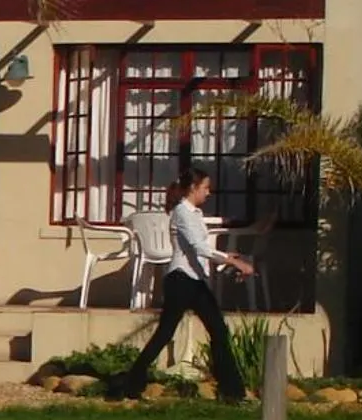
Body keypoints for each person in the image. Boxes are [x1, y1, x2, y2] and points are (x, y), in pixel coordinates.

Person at [106, 166, 255, 402]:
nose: (209, 192)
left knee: (218, 330)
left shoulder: (194, 213)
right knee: (165, 333)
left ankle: (232, 391)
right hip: (181, 280)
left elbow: (201, 247)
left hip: (195, 280)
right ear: (193, 188)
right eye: (206, 188)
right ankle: (128, 384)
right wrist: (232, 261)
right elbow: (198, 247)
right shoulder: (181, 213)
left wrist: (228, 257)